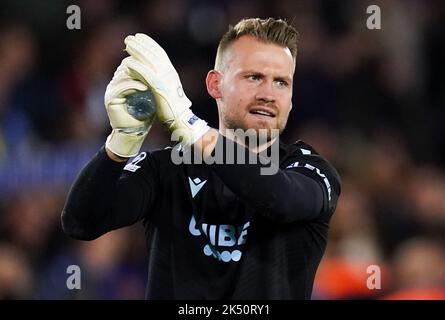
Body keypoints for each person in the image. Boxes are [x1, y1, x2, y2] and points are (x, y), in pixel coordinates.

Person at [62, 18, 341, 299]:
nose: (268, 94)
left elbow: (279, 197)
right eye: (254, 77)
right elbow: (81, 222)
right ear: (215, 85)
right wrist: (121, 141)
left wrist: (189, 124)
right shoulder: (166, 168)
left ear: (291, 98)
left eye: (281, 82)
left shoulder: (309, 168)